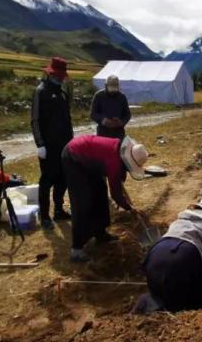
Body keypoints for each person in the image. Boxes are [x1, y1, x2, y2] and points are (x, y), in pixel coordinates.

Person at [134, 196, 202, 314]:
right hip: (186, 257)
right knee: (199, 311)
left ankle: (141, 308)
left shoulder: (177, 223)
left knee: (159, 296)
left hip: (154, 255)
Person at [62, 134, 148, 262]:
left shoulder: (120, 150)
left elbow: (116, 183)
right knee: (82, 202)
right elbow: (116, 194)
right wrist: (128, 207)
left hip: (90, 159)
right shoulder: (114, 161)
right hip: (74, 157)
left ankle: (100, 234)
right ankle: (77, 249)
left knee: (100, 194)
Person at [31, 57, 74, 230]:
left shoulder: (63, 93)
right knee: (47, 180)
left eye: (62, 76)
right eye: (58, 75)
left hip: (64, 144)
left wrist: (71, 140)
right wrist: (40, 144)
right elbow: (35, 120)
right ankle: (44, 216)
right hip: (48, 146)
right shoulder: (40, 91)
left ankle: (58, 210)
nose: (61, 78)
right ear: (50, 73)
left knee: (62, 178)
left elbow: (67, 119)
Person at [91, 75, 131, 139]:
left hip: (118, 133)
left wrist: (121, 122)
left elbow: (127, 114)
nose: (113, 92)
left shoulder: (122, 97)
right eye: (111, 89)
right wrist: (103, 120)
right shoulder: (98, 96)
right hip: (103, 132)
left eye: (115, 89)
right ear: (106, 86)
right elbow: (93, 114)